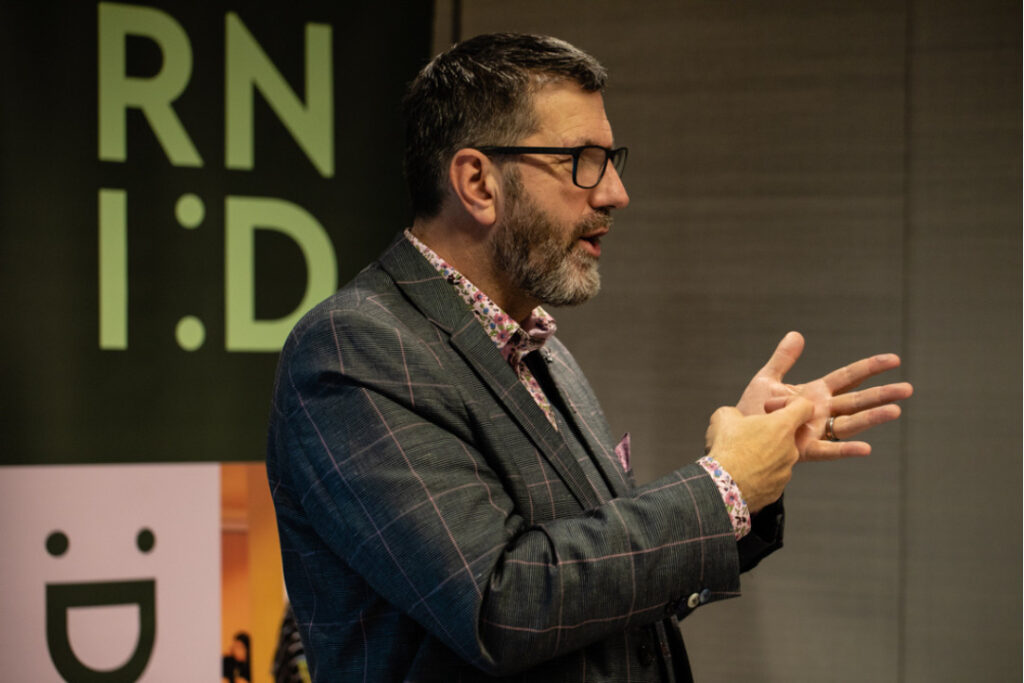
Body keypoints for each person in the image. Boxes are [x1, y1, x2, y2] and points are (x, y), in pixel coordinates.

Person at [265, 33, 912, 682]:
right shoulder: (353, 351)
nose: (615, 193)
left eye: (611, 159)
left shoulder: (538, 344)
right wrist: (722, 487)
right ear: (477, 182)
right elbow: (503, 606)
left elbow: (599, 592)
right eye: (583, 160)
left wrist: (753, 468)